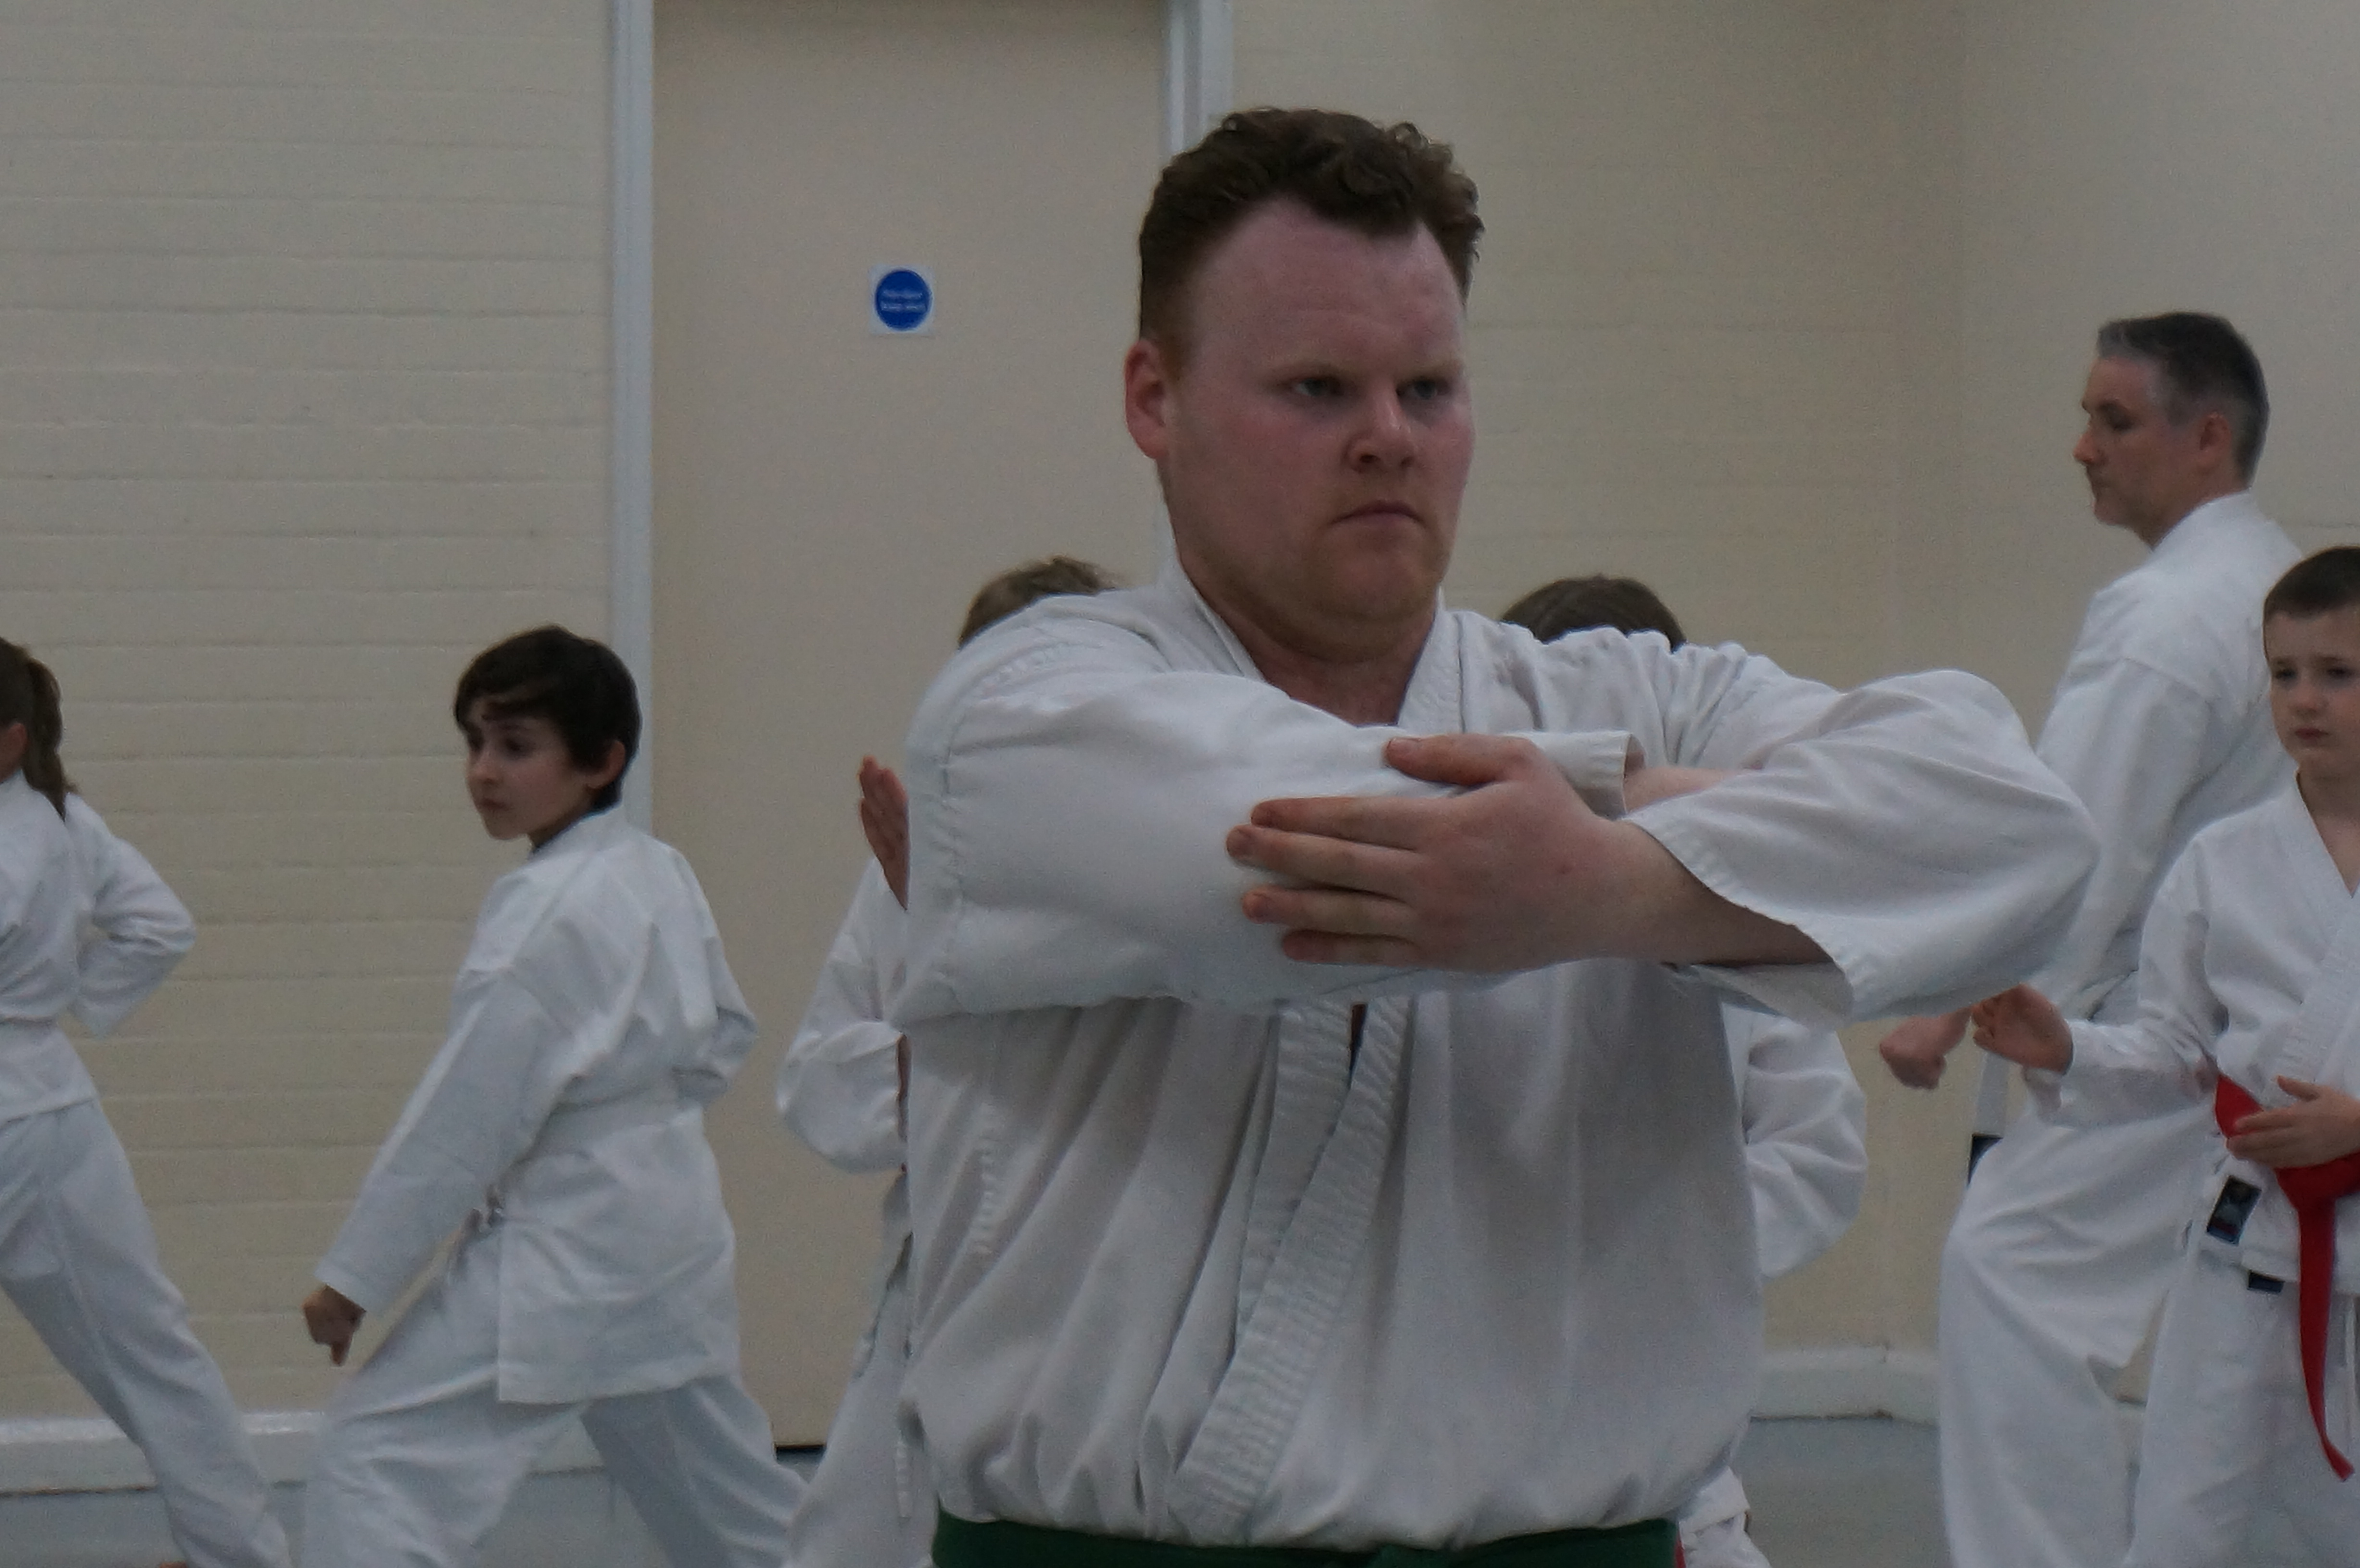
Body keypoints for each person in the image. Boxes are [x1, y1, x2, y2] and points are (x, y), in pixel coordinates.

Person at [886, 108, 2095, 1566]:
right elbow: (1308, 849)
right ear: (1156, 396)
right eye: (1317, 388)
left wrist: (1612, 889)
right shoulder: (1024, 711)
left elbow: (2016, 829)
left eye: (1430, 387)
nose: (1387, 439)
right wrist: (1706, 851)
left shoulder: (1620, 688)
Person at [1873, 314, 2299, 1568]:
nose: (2081, 449)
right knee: (2252, 1325)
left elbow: (2075, 845)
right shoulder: (2272, 581)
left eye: (2113, 421)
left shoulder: (2165, 620)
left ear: (2206, 438)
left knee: (2011, 1282)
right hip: (2260, 1028)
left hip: (2157, 1035)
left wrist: (1948, 1006)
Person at [296, 625, 802, 1568]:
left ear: (601, 761)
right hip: (669, 1224)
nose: (484, 772)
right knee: (728, 1506)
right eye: (475, 743)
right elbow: (726, 1033)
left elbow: (468, 1114)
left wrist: (356, 1278)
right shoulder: (656, 869)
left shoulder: (546, 908)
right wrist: (637, 1117)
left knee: (376, 1462)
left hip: (569, 1240)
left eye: (516, 746)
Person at [1968, 545, 2360, 1567]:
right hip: (2242, 1250)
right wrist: (2066, 1047)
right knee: (2178, 1529)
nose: (2303, 700)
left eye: (2337, 673)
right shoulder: (2222, 863)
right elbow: (2178, 1056)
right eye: (2283, 673)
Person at [1503, 576, 1869, 1568]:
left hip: (1670, 1441)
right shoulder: (1466, 931)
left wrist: (1666, 1244)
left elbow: (1818, 1155)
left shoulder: (1734, 934)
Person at [778, 556, 1119, 1568]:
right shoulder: (914, 862)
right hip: (936, 1277)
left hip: (1096, 1291)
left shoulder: (1154, 867)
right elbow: (815, 1082)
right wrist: (935, 1041)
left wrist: (973, 969)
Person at [0, 639, 291, 1568]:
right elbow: (160, 926)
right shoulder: (62, 816)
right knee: (150, 1353)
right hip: (52, 1110)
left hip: (24, 1112)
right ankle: (238, 1553)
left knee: (148, 1351)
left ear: (9, 739)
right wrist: (60, 1003)